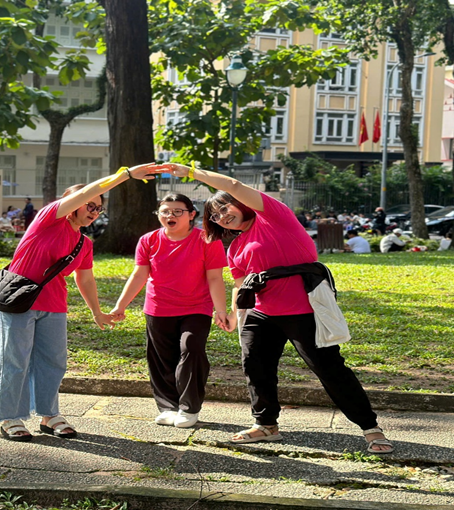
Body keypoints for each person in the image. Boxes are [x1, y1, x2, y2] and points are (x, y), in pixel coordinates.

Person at [150, 162, 392, 454]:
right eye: (214, 215)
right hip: (260, 314)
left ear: (240, 204)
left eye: (225, 207)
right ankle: (266, 425)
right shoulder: (236, 246)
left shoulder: (275, 217)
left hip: (303, 310)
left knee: (329, 369)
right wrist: (231, 314)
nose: (222, 216)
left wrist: (191, 173)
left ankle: (371, 428)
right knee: (255, 367)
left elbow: (235, 186)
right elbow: (240, 284)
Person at [0, 164, 158, 442]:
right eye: (89, 205)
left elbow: (85, 279)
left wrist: (97, 312)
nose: (93, 210)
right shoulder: (48, 219)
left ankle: (49, 414)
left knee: (53, 362)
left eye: (98, 208)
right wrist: (125, 176)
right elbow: (91, 189)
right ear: (72, 204)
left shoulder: (84, 243)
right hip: (18, 300)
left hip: (54, 305)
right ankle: (10, 418)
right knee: (13, 360)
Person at [109, 193, 231, 429]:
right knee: (162, 359)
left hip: (197, 307)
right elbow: (139, 274)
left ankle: (189, 407)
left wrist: (221, 310)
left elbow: (215, 278)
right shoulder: (148, 240)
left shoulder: (207, 239)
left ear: (191, 215)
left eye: (177, 212)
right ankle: (168, 406)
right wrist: (120, 305)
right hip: (158, 307)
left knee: (191, 348)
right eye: (165, 211)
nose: (170, 216)